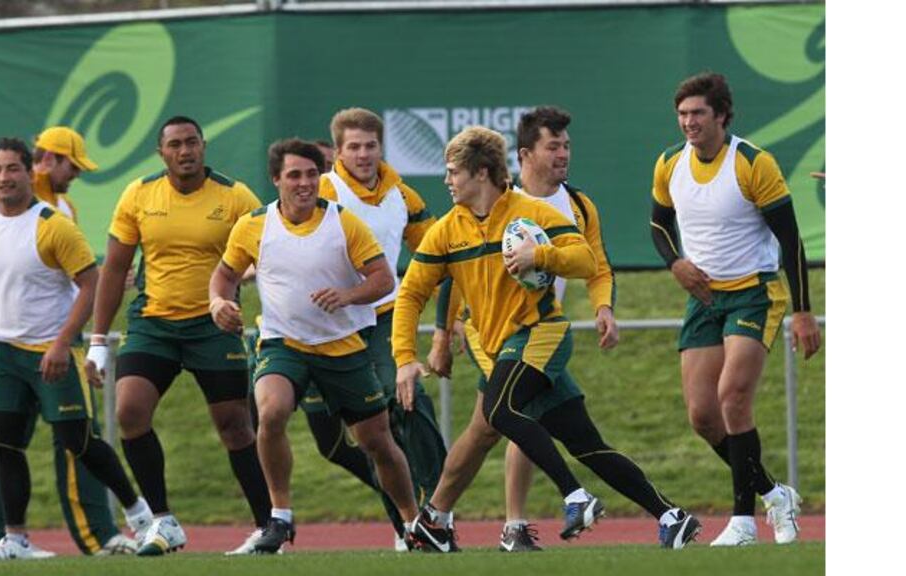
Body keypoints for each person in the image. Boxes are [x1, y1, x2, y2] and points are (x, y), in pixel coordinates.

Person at [429, 108, 700, 552]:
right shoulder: (492, 200)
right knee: (500, 418)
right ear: (524, 154)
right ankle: (480, 520)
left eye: (567, 146)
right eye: (552, 146)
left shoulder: (576, 205)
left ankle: (660, 515)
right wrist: (444, 331)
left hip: (538, 330)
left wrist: (604, 308)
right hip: (493, 334)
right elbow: (454, 267)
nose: (563, 154)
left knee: (518, 421)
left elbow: (595, 264)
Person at [208, 138, 421, 554]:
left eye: (311, 174)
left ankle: (415, 522)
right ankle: (280, 517)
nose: (305, 183)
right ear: (276, 180)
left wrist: (348, 296)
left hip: (342, 347)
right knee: (270, 412)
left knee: (376, 441)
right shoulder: (254, 224)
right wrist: (218, 302)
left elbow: (383, 279)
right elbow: (224, 276)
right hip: (282, 343)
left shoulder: (343, 222)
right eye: (294, 175)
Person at [84, 116, 272, 556]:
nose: (185, 151)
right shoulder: (139, 193)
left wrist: (240, 281)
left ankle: (269, 527)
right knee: (130, 413)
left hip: (212, 326)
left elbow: (270, 253)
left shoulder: (235, 196)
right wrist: (97, 341)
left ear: (204, 147)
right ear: (161, 153)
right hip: (153, 323)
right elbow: (113, 269)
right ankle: (163, 522)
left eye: (192, 142)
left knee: (236, 427)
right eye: (175, 144)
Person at [649, 72, 821, 546]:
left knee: (732, 398)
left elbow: (790, 239)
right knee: (702, 416)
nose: (689, 122)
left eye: (699, 113)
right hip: (704, 298)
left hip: (754, 293)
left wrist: (804, 311)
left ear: (722, 115)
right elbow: (658, 225)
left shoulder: (751, 162)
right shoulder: (668, 163)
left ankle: (743, 522)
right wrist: (676, 263)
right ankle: (773, 492)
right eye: (683, 114)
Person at [0, 138, 153, 561]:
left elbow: (90, 283)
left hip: (51, 352)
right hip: (0, 354)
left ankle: (140, 514)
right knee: (7, 446)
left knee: (79, 440)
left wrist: (64, 342)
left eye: (12, 169)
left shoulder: (53, 225)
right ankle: (15, 539)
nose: (3, 178)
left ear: (30, 173)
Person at [311, 108, 446, 551]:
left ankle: (437, 503)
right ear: (337, 152)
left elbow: (434, 257)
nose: (363, 154)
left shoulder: (402, 195)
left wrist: (452, 320)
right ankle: (404, 523)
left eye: (370, 145)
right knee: (359, 435)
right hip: (329, 327)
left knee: (408, 402)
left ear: (381, 147)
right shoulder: (321, 190)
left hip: (385, 317)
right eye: (353, 147)